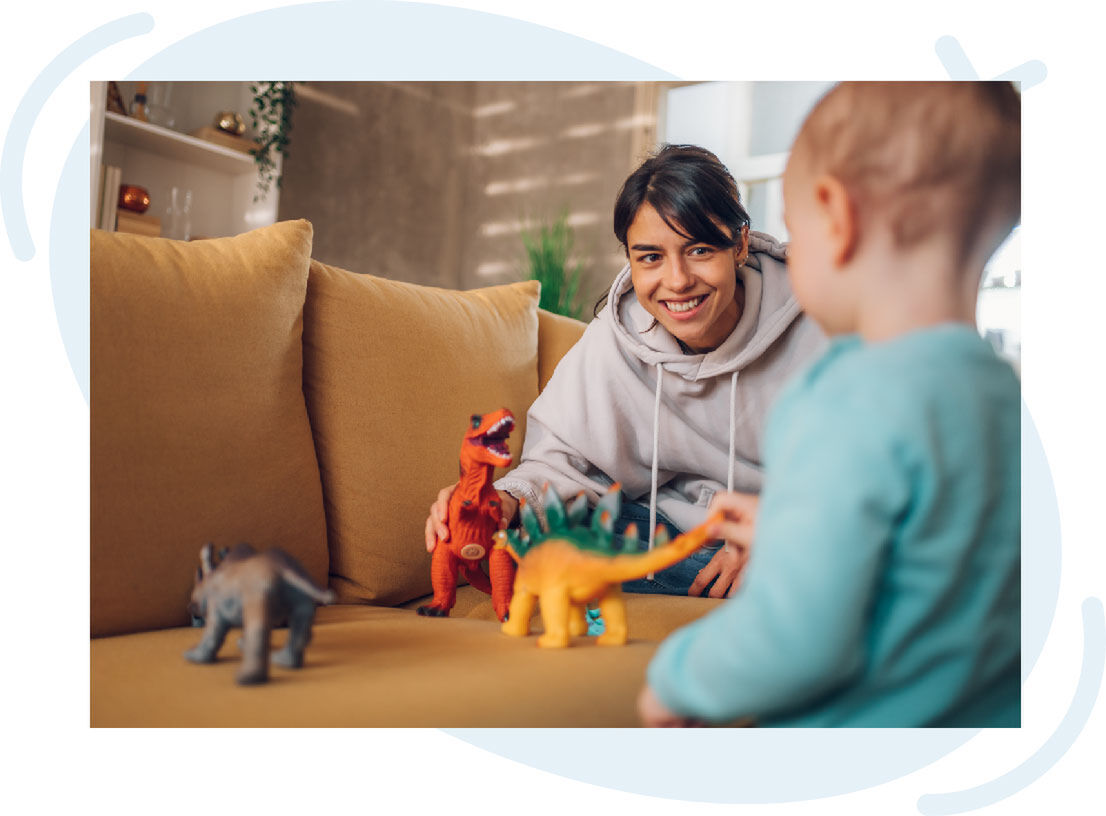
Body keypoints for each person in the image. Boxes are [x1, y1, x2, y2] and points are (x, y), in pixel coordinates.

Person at [639, 81, 1022, 727]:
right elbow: (942, 555)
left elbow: (797, 639)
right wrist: (792, 529)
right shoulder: (1004, 397)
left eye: (793, 232)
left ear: (835, 218)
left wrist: (678, 680)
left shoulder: (843, 394)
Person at [425, 144, 825, 598]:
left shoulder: (825, 320)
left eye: (698, 250)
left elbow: (881, 470)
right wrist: (503, 503)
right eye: (650, 257)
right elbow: (563, 461)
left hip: (795, 533)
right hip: (672, 533)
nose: (676, 281)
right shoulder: (619, 337)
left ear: (740, 245)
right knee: (534, 533)